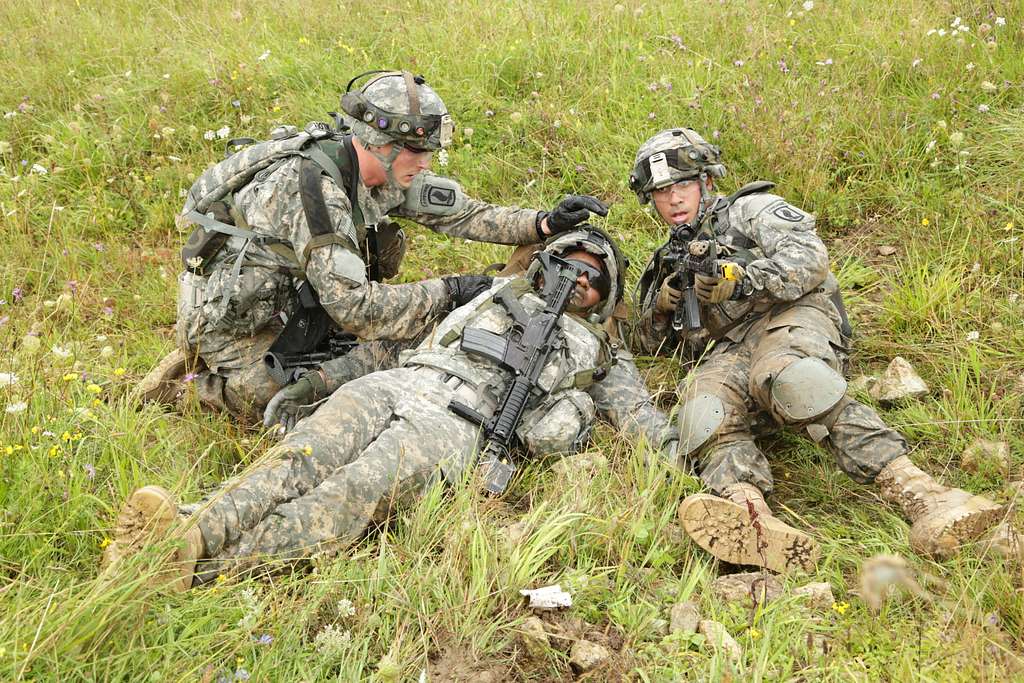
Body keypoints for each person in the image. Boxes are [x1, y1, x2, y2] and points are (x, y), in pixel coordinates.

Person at [109, 228, 677, 591]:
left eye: (594, 276)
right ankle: (193, 528)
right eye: (567, 264)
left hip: (458, 425)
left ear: (608, 293)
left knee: (348, 494)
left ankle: (190, 556)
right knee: (297, 460)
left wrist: (682, 460)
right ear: (543, 264)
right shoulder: (489, 296)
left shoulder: (603, 351)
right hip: (399, 382)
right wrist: (323, 381)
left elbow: (638, 417)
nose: (578, 279)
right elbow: (396, 342)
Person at [630, 128, 1012, 573]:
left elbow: (810, 259)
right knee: (703, 409)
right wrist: (661, 308)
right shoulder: (667, 259)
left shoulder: (750, 211)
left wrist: (742, 278)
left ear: (707, 181)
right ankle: (750, 517)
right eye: (661, 191)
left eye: (682, 184)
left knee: (789, 377)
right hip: (731, 344)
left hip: (792, 314)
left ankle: (923, 492)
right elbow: (651, 345)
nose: (674, 198)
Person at [140, 69, 608, 423]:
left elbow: (462, 213)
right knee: (319, 391)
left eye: (429, 152)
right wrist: (452, 291)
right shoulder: (314, 193)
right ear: (379, 141)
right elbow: (357, 309)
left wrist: (543, 223)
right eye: (417, 152)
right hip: (240, 324)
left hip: (295, 309)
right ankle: (198, 383)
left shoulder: (376, 168)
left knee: (393, 346)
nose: (426, 164)